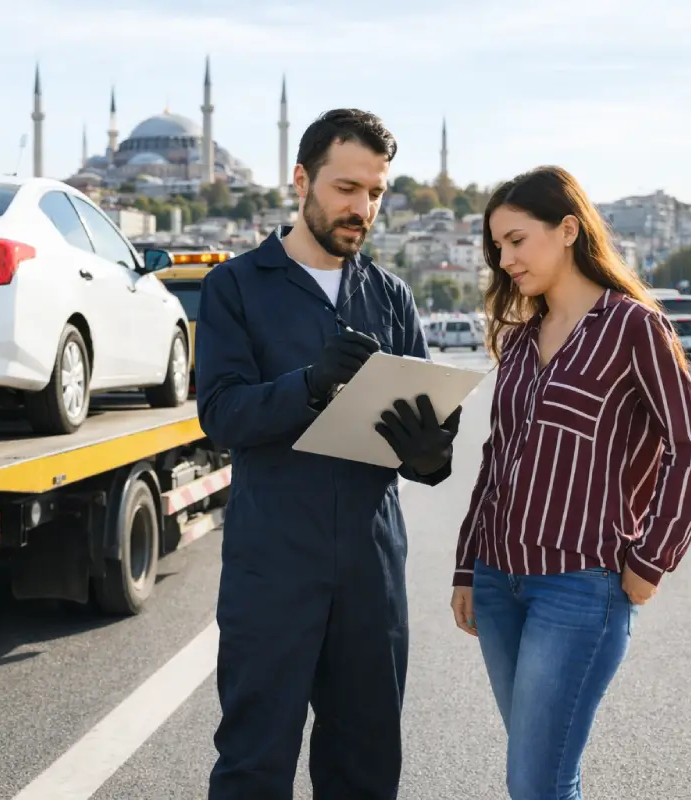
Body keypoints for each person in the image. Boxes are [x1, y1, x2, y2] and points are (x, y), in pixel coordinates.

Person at [195, 108, 460, 799]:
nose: (362, 209)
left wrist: (430, 455)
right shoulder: (235, 287)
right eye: (346, 188)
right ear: (300, 180)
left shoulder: (391, 296)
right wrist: (310, 385)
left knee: (365, 769)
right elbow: (221, 415)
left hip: (371, 569)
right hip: (273, 567)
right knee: (254, 766)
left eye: (375, 192)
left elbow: (426, 450)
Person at [451, 165, 691, 800]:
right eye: (498, 247)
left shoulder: (634, 328)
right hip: (497, 583)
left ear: (568, 230)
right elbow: (496, 459)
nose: (505, 260)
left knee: (536, 783)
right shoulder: (520, 343)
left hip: (579, 589)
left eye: (517, 240)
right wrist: (467, 567)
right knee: (541, 775)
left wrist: (650, 562)